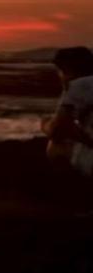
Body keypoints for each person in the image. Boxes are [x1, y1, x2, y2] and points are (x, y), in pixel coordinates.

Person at [42, 45, 93, 176]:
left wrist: (45, 125)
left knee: (57, 142)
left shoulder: (81, 84)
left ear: (66, 70)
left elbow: (58, 130)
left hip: (86, 167)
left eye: (59, 71)